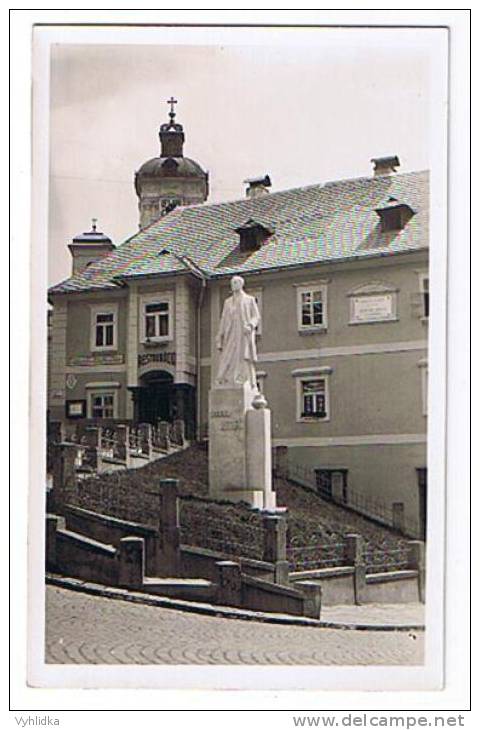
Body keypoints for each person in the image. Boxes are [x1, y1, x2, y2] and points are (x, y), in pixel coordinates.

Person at [215, 275, 260, 388]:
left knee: (243, 355)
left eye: (235, 282)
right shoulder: (228, 302)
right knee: (228, 354)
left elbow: (256, 316)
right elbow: (223, 319)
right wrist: (219, 335)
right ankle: (225, 378)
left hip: (243, 332)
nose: (233, 285)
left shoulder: (249, 300)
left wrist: (250, 325)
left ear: (241, 284)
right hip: (230, 333)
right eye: (232, 283)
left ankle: (242, 378)